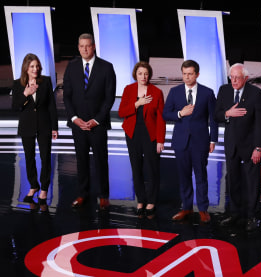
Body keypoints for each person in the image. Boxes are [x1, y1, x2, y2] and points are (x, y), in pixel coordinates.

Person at [63, 33, 116, 210]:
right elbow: (67, 96)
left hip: (97, 124)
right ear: (78, 48)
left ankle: (103, 195)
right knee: (81, 160)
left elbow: (109, 99)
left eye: (88, 45)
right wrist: (74, 119)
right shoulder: (71, 67)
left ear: (93, 46)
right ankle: (82, 194)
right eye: (82, 46)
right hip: (78, 124)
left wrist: (96, 120)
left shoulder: (107, 67)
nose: (85, 49)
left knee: (101, 160)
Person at [214, 63, 261, 232]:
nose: (234, 80)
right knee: (233, 180)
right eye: (231, 77)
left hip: (250, 145)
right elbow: (216, 115)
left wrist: (258, 147)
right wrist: (227, 114)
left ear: (246, 78)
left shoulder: (256, 93)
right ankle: (235, 213)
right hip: (231, 144)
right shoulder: (224, 90)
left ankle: (252, 216)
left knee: (252, 182)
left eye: (237, 77)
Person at [163, 60, 218, 223]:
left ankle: (203, 209)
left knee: (201, 176)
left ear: (197, 75)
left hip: (200, 141)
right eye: (184, 74)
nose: (187, 77)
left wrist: (213, 139)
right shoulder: (174, 92)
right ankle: (186, 208)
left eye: (190, 74)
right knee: (183, 176)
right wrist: (180, 113)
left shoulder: (207, 93)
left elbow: (213, 119)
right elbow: (166, 114)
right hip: (181, 142)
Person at [12, 53, 58, 211]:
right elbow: (15, 107)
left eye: (37, 66)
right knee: (29, 158)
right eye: (32, 66)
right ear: (26, 68)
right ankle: (34, 185)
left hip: (44, 125)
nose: (35, 69)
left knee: (46, 158)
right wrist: (26, 94)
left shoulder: (45, 82)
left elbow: (52, 105)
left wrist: (54, 127)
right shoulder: (18, 84)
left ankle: (44, 188)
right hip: (27, 126)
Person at [118, 61, 165, 218]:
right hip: (132, 133)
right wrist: (137, 103)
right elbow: (121, 112)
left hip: (150, 134)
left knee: (152, 168)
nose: (143, 76)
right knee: (136, 167)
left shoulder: (157, 92)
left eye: (145, 73)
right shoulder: (128, 89)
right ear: (135, 75)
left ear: (149, 75)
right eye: (140, 73)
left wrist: (160, 140)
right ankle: (141, 200)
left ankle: (151, 200)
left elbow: (160, 119)